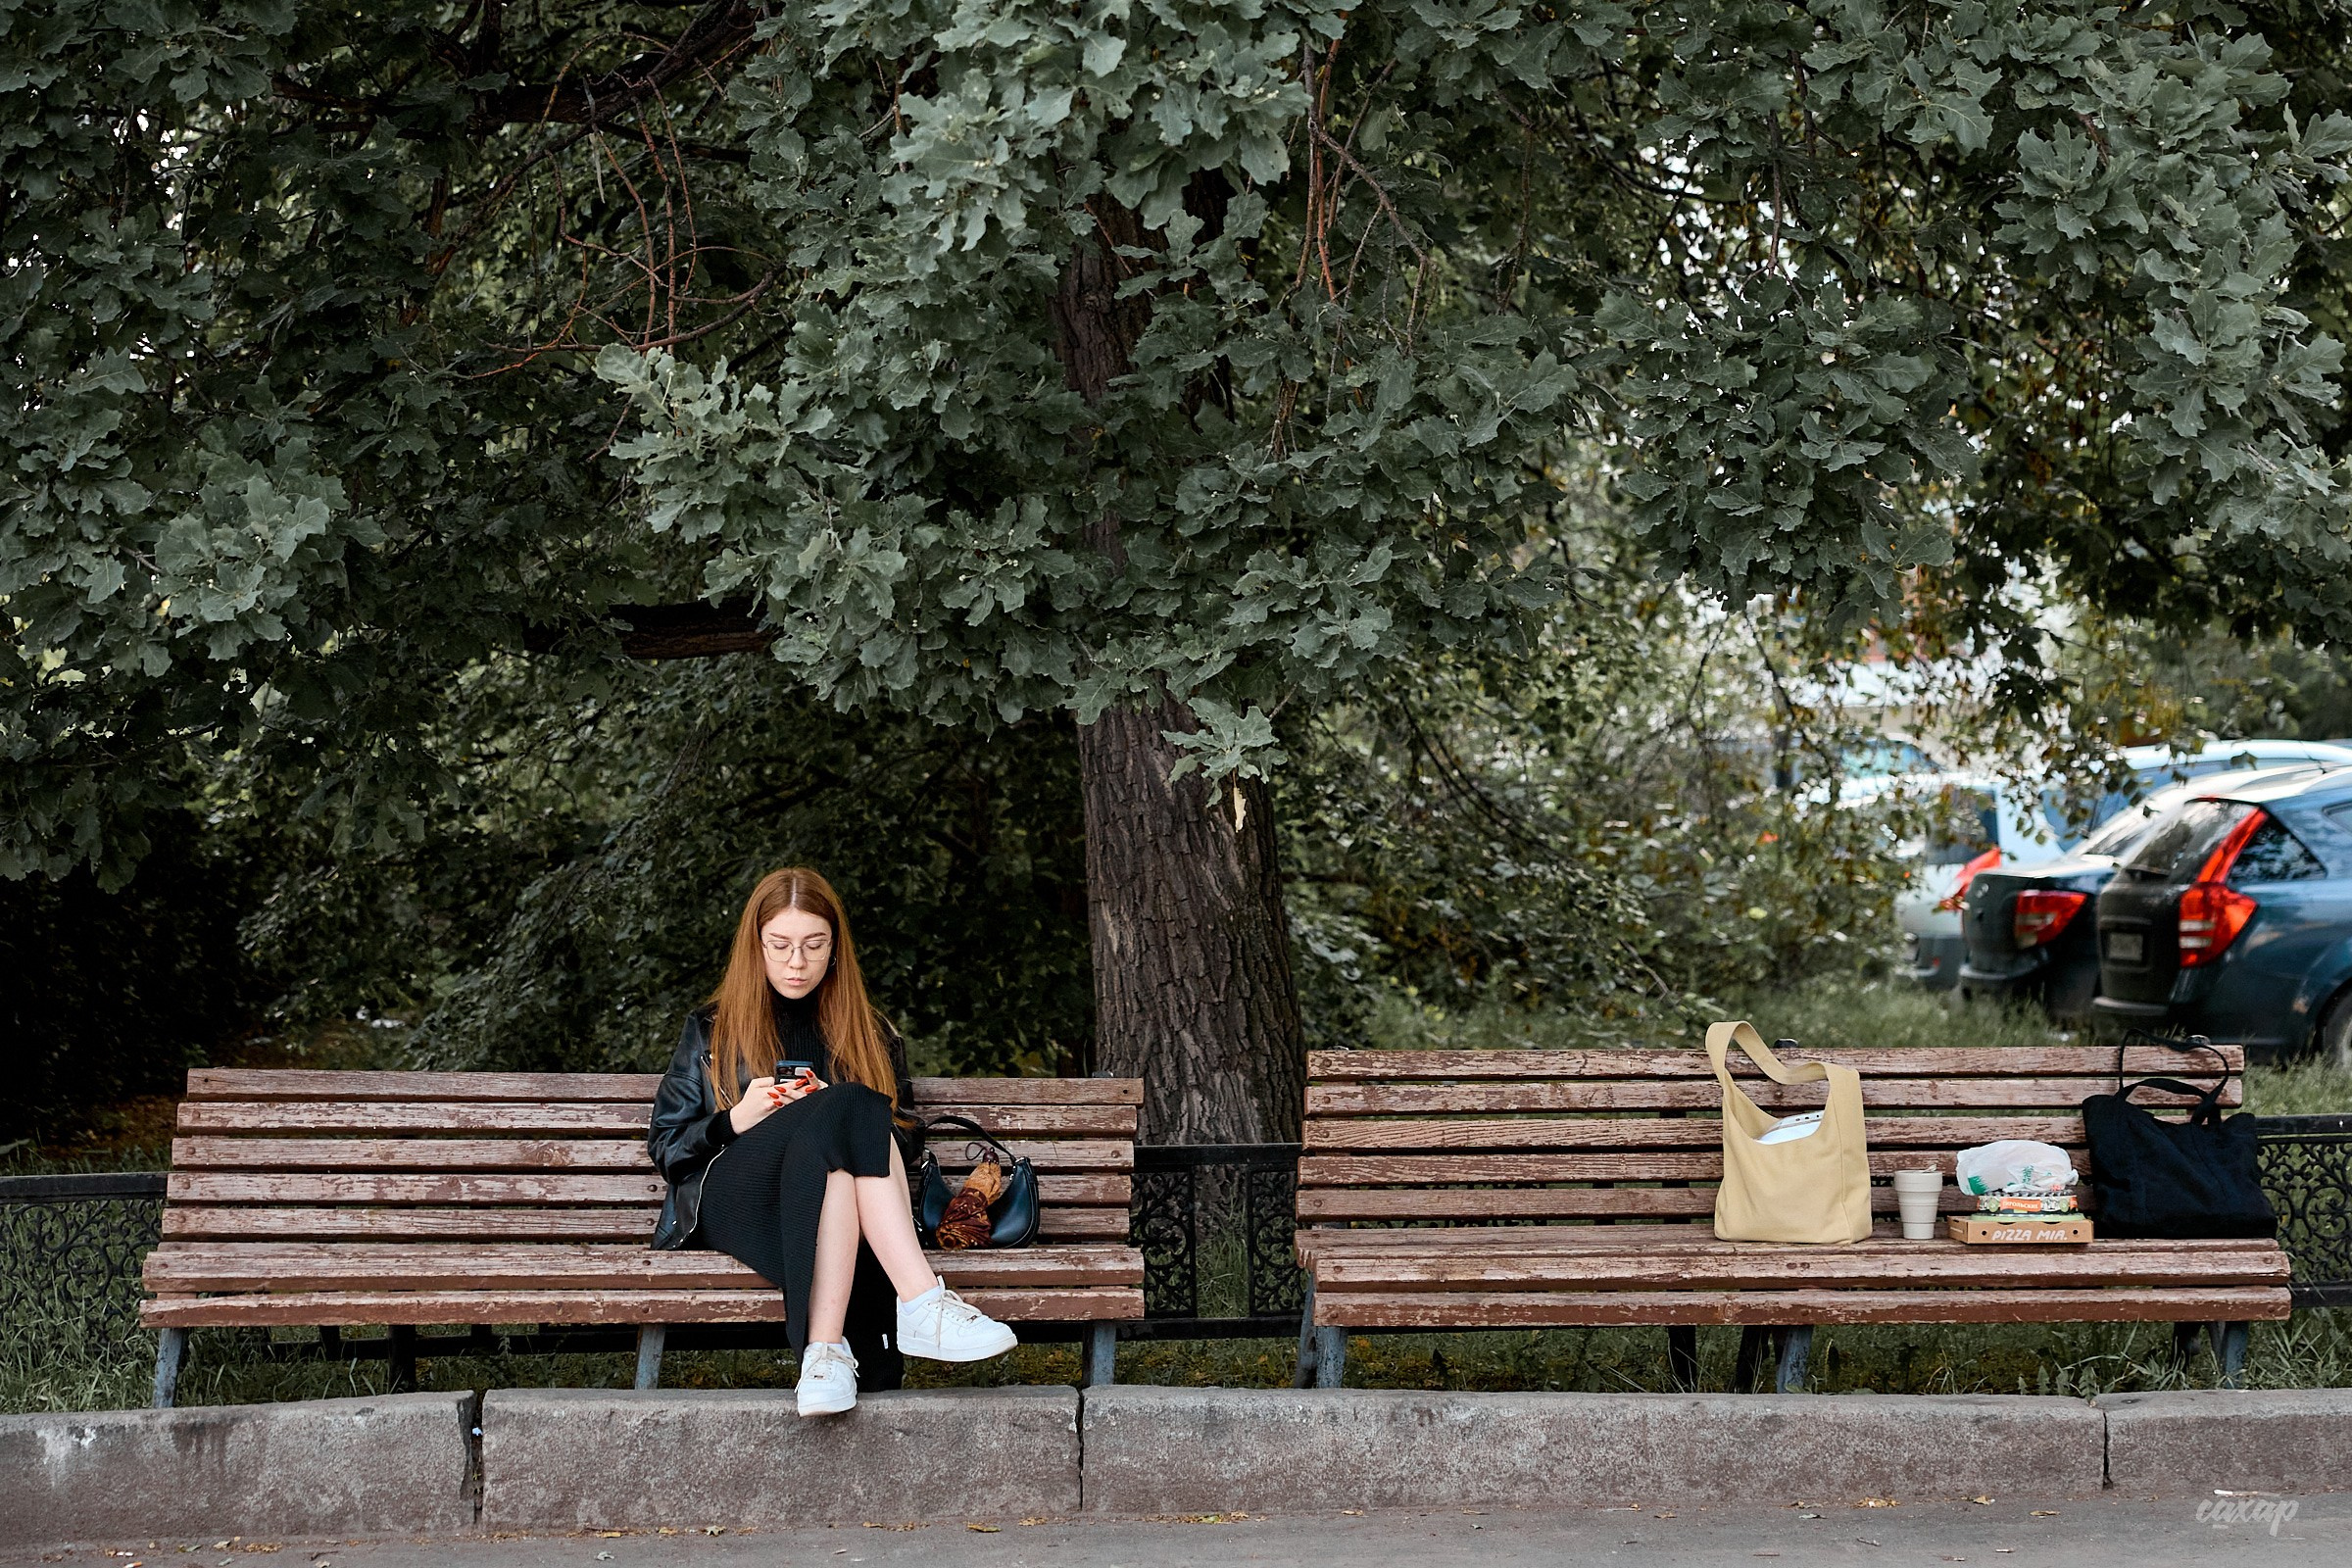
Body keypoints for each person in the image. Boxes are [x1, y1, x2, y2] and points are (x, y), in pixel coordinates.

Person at [647, 866, 1017, 1415]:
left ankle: (824, 1354)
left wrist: (830, 1112)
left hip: (830, 1203)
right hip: (736, 1200)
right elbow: (667, 1146)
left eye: (813, 945)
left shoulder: (869, 1031)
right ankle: (923, 1303)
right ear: (756, 947)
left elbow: (904, 1146)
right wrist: (736, 1119)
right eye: (780, 945)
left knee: (843, 1141)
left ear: (835, 948)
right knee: (849, 1106)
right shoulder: (711, 1028)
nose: (796, 962)